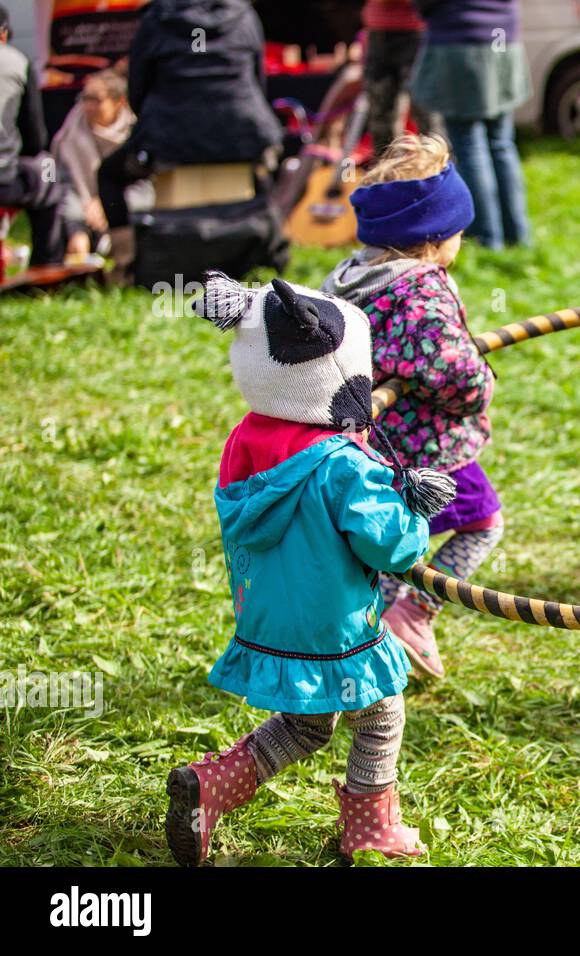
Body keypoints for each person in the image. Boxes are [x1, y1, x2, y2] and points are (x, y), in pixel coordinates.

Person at [166, 273, 455, 866]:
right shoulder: (345, 465)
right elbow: (393, 548)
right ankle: (370, 832)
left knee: (308, 724)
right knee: (381, 713)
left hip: (267, 619)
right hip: (336, 625)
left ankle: (210, 787)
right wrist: (416, 511)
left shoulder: (244, 439)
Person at [323, 134, 502, 680]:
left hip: (374, 447)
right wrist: (479, 381)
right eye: (458, 232)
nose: (461, 241)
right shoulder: (419, 293)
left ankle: (373, 629)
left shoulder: (350, 275)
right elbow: (451, 369)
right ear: (433, 238)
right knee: (483, 521)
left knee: (400, 537)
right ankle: (415, 615)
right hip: (428, 451)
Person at [97, 0, 282, 233]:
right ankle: (267, 245)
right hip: (241, 134)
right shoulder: (244, 15)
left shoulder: (155, 18)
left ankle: (126, 259)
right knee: (263, 178)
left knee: (108, 176)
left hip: (169, 139)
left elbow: (138, 91)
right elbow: (258, 85)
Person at [410, 0, 530, 249]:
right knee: (502, 143)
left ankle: (487, 240)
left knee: (469, 146)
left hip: (462, 41)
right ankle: (517, 236)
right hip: (503, 39)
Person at [51, 68, 152, 258]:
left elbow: (147, 190)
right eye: (84, 98)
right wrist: (77, 229)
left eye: (96, 100)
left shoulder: (137, 135)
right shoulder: (70, 136)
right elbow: (64, 187)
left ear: (119, 102)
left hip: (128, 218)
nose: (88, 106)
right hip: (80, 216)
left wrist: (108, 204)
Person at [0, 3, 68, 266]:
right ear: (4, 34)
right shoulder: (16, 61)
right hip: (5, 182)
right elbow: (35, 139)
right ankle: (46, 268)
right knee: (48, 172)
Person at [361, 0, 430, 156]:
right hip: (377, 32)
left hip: (417, 33)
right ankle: (389, 177)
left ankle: (436, 177)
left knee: (427, 117)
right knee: (380, 122)